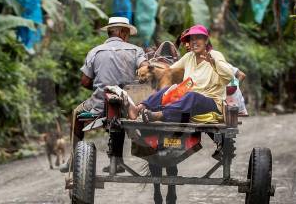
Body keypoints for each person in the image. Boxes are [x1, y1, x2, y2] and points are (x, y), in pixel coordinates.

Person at [61, 16, 148, 171]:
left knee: (76, 114)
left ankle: (73, 159)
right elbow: (145, 69)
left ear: (110, 32)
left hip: (100, 103)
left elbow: (85, 82)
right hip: (129, 104)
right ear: (122, 32)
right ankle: (118, 159)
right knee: (122, 111)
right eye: (127, 33)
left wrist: (100, 87)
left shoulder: (94, 51)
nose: (127, 36)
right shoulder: (136, 50)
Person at [129, 25, 234, 123]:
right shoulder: (189, 56)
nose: (194, 42)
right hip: (187, 99)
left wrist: (214, 63)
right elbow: (169, 70)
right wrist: (150, 69)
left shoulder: (215, 55)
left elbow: (229, 76)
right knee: (167, 90)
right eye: (192, 39)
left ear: (206, 40)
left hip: (211, 102)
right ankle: (139, 108)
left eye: (198, 38)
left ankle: (159, 115)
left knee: (191, 95)